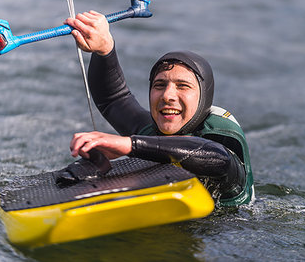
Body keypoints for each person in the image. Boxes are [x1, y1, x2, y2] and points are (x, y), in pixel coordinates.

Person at [65, 11, 254, 206]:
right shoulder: (151, 131)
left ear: (204, 97)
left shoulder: (221, 136)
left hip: (231, 232)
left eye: (182, 86)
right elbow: (114, 99)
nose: (167, 95)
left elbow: (217, 157)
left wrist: (128, 145)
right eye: (159, 85)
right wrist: (104, 50)